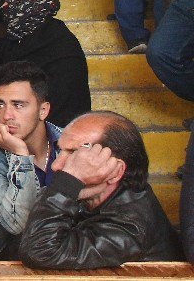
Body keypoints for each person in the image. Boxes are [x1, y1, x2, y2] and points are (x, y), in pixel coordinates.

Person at [19, 111, 183, 268]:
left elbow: (39, 251)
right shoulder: (90, 198)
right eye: (60, 151)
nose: (56, 165)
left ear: (116, 171)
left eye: (75, 154)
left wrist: (67, 184)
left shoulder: (130, 225)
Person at [0, 0, 91, 128]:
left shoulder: (60, 44)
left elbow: (65, 104)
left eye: (10, 2)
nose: (3, 8)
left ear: (29, 6)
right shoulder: (8, 41)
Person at [0, 61, 63, 259]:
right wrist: (20, 156)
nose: (6, 115)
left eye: (18, 105)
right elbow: (18, 225)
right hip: (18, 257)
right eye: (0, 105)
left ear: (43, 110)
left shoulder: (70, 144)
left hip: (70, 246)